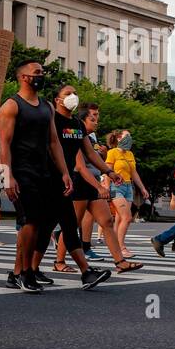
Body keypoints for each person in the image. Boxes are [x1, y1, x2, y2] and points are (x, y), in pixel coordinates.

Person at [0, 62, 93, 292]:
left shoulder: (47, 107)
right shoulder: (11, 106)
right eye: (36, 73)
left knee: (36, 224)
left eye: (42, 72)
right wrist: (6, 177)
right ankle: (25, 272)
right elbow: (4, 145)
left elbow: (54, 143)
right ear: (23, 77)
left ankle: (18, 272)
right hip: (21, 172)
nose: (41, 76)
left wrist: (64, 173)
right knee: (30, 222)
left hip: (43, 171)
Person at [28, 84, 111, 288]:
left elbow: (90, 153)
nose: (73, 96)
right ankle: (85, 272)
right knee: (65, 224)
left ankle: (32, 269)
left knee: (50, 227)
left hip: (64, 181)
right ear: (57, 100)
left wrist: (108, 171)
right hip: (48, 179)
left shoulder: (77, 123)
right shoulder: (51, 120)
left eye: (74, 93)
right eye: (67, 94)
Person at [70, 102, 143, 273]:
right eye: (93, 117)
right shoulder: (74, 136)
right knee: (72, 224)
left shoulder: (90, 138)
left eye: (97, 116)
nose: (96, 120)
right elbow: (81, 166)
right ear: (82, 121)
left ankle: (120, 261)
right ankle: (59, 261)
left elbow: (94, 159)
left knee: (107, 221)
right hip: (80, 181)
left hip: (93, 182)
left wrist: (109, 173)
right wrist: (101, 186)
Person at [104, 129, 148, 256]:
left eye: (130, 136)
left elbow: (134, 173)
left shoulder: (130, 154)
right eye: (126, 136)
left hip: (129, 188)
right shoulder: (112, 152)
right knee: (127, 217)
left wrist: (142, 188)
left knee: (120, 218)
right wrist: (107, 188)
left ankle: (115, 247)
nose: (129, 138)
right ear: (118, 138)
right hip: (116, 187)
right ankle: (122, 248)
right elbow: (108, 171)